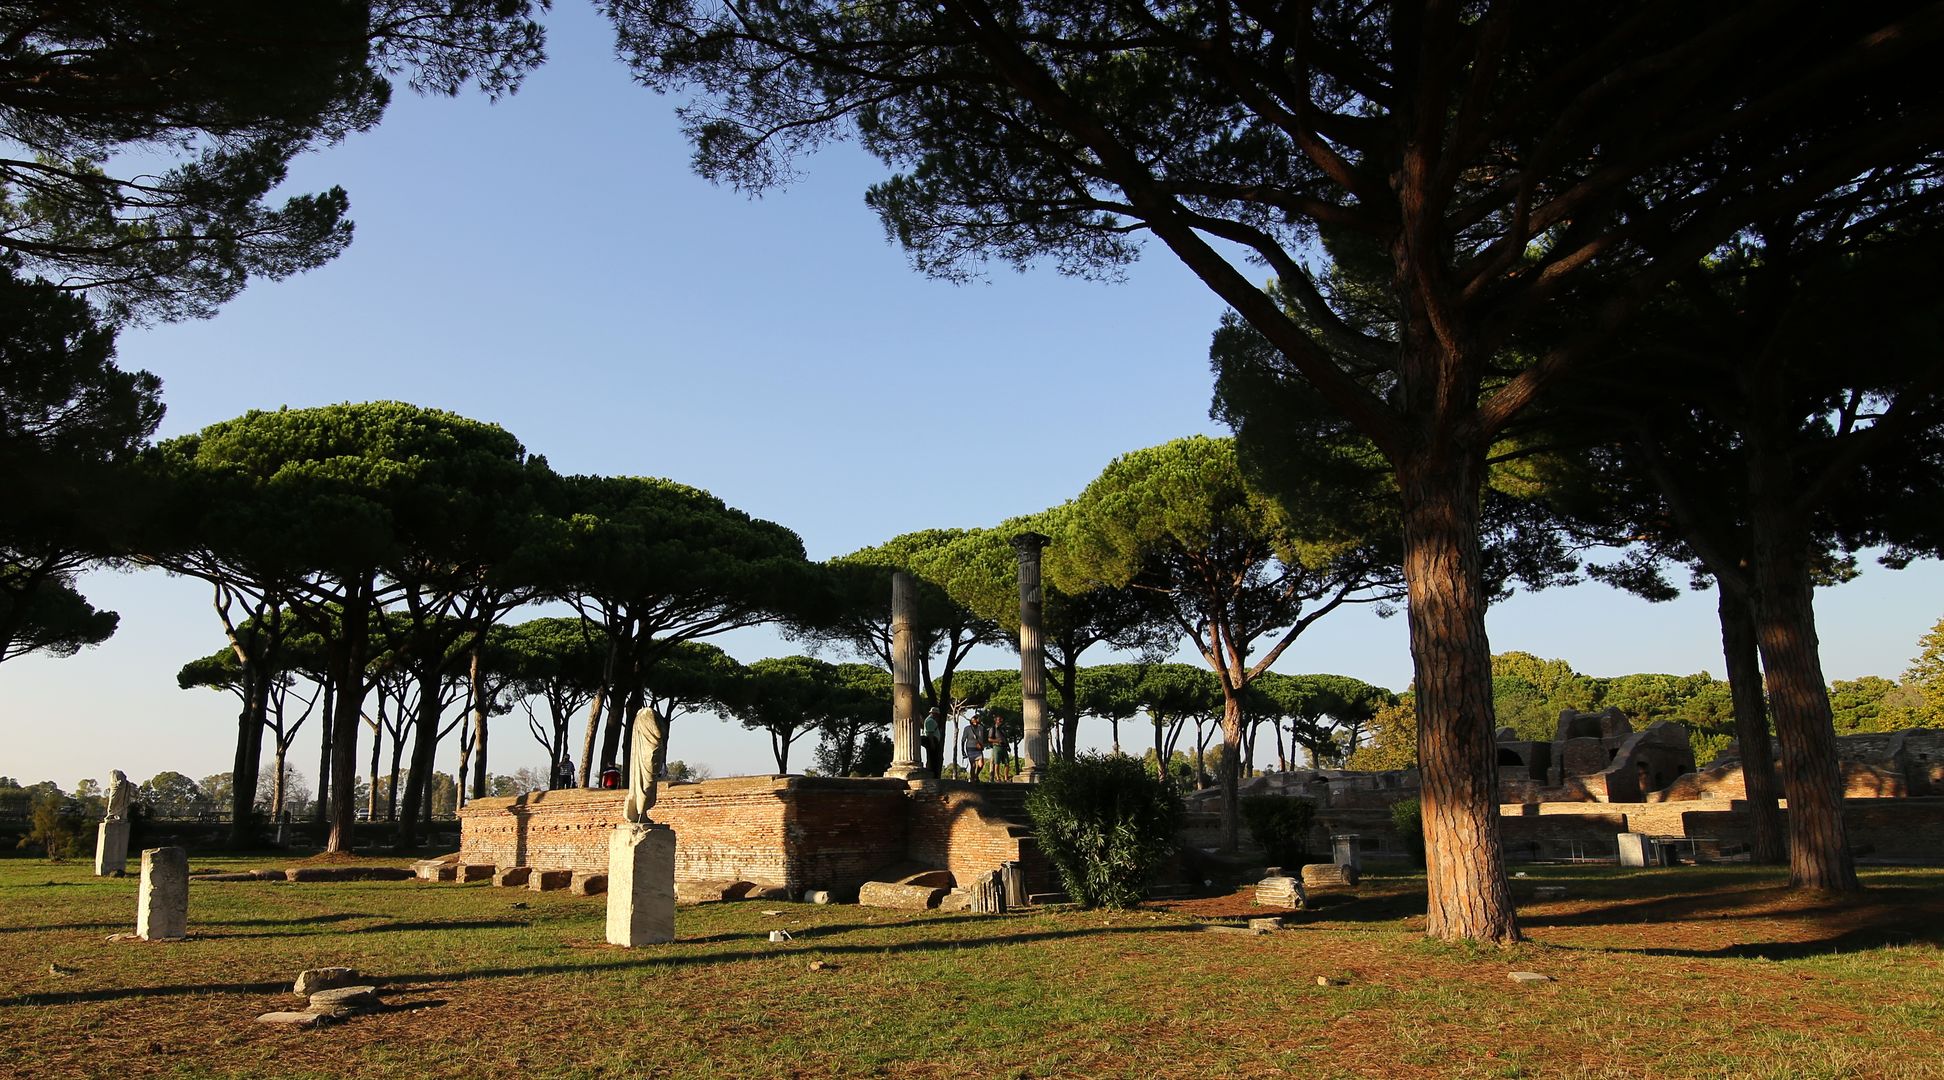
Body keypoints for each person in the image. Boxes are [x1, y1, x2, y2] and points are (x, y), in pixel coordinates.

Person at [960, 712, 985, 782]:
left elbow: (981, 738)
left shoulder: (981, 728)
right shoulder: (967, 729)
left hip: (978, 748)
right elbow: (963, 740)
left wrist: (982, 746)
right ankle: (972, 779)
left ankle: (976, 775)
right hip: (970, 747)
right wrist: (963, 750)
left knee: (981, 764)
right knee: (973, 765)